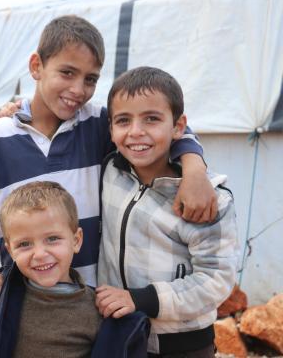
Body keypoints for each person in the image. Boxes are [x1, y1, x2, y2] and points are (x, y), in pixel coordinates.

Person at [0, 15, 215, 329]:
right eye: (67, 72)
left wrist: (194, 168)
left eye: (90, 79)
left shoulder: (99, 126)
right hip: (23, 303)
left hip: (94, 305)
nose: (78, 89)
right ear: (36, 66)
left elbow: (162, 129)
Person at [96, 66, 239, 357]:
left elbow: (216, 279)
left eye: (151, 119)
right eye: (123, 120)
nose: (136, 131)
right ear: (110, 129)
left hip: (183, 344)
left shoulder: (210, 198)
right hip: (120, 334)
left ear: (177, 126)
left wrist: (143, 299)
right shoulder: (110, 170)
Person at [0, 181, 149, 358]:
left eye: (52, 239)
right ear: (10, 250)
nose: (39, 254)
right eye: (24, 244)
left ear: (76, 240)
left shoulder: (97, 311)